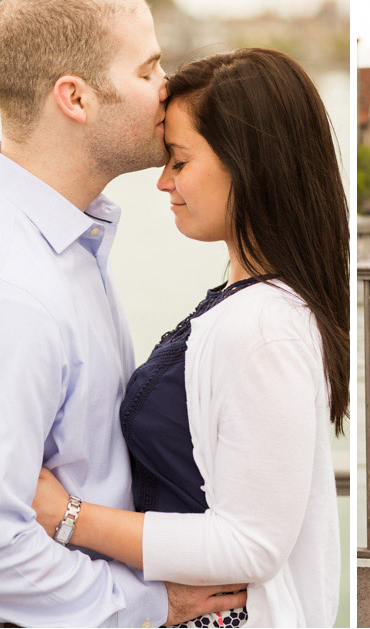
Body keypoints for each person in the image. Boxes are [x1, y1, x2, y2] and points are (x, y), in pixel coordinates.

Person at [0, 0, 242, 628]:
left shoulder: (54, 242)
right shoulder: (2, 286)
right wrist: (151, 602)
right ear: (76, 97)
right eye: (149, 69)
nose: (168, 88)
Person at [31, 47, 349, 628]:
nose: (162, 181)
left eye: (178, 161)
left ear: (247, 164)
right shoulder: (255, 306)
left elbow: (253, 543)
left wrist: (67, 515)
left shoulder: (260, 328)